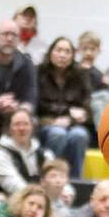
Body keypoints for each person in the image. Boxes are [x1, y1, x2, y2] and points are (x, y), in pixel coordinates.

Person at [36, 37, 91, 178]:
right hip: (44, 123)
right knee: (58, 133)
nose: (62, 55)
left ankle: (75, 181)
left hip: (71, 124)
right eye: (59, 50)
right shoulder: (39, 72)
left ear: (73, 56)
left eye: (67, 51)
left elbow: (86, 106)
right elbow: (37, 104)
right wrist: (67, 113)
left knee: (80, 135)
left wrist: (72, 118)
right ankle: (50, 177)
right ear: (50, 53)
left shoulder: (80, 75)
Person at [0, 108, 54, 196]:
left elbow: (57, 178)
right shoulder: (0, 155)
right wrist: (38, 195)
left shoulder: (46, 155)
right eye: (17, 124)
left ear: (32, 127)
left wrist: (67, 192)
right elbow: (13, 185)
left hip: (42, 202)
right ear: (9, 128)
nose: (21, 128)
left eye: (26, 124)